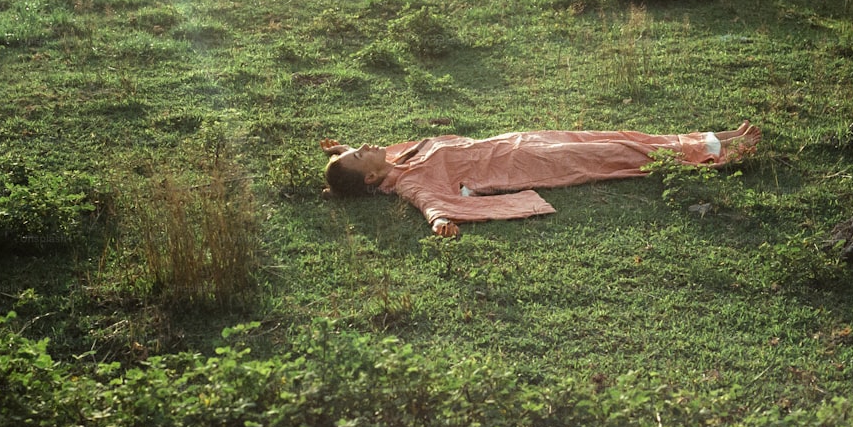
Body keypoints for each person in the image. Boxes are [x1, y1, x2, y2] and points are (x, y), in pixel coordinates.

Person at [320, 121, 761, 237]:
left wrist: (340, 153)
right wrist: (440, 223)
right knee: (615, 154)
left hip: (520, 140)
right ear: (374, 177)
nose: (368, 145)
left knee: (618, 136)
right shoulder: (409, 182)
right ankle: (724, 152)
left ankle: (715, 137)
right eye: (362, 153)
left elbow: (356, 166)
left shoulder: (397, 158)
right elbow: (430, 205)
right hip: (531, 165)